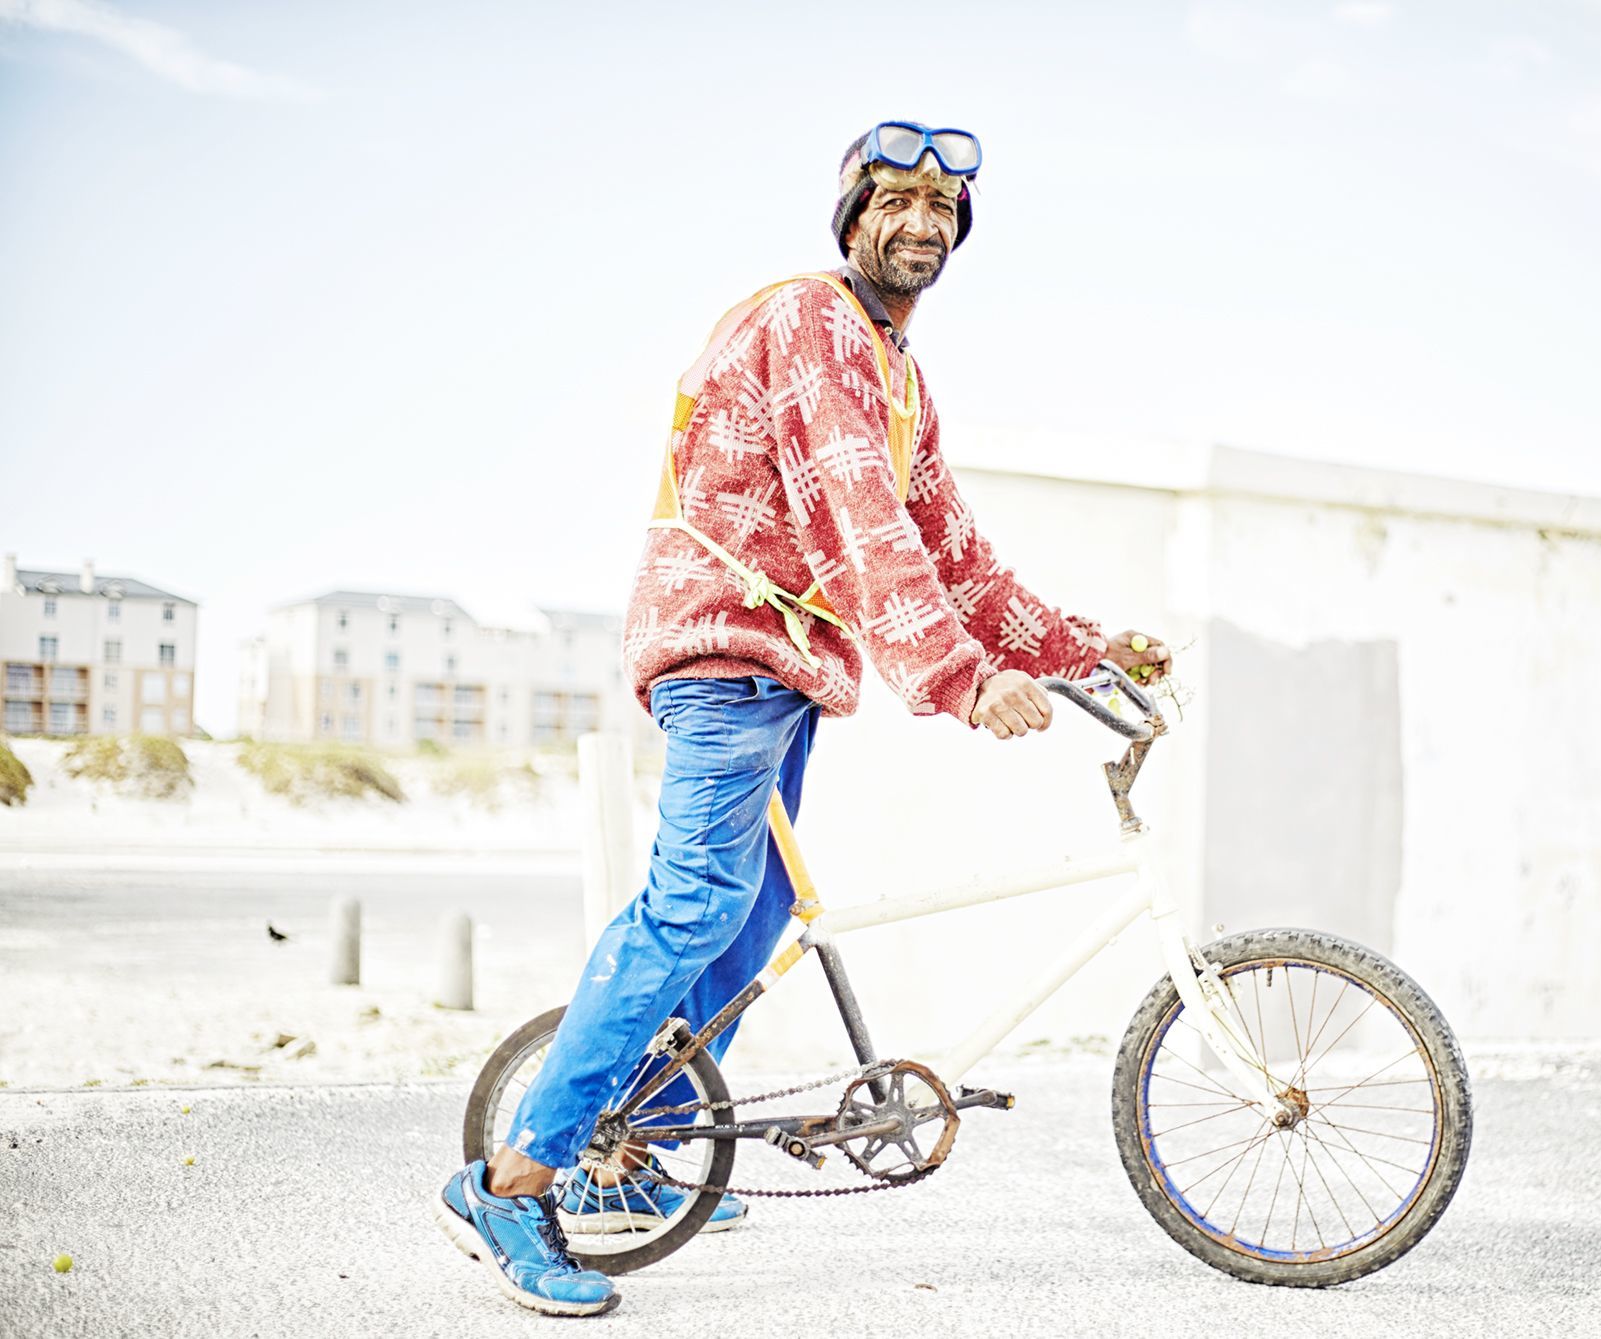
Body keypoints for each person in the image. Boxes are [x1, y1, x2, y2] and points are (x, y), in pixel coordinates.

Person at [433, 120, 1171, 1318]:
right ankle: (511, 1183)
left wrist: (1083, 647)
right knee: (692, 905)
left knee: (752, 915)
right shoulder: (810, 324)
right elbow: (857, 515)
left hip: (786, 670)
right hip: (724, 651)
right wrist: (960, 680)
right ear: (850, 217)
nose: (921, 224)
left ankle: (651, 1147)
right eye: (895, 201)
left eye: (944, 209)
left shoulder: (895, 370)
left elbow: (952, 551)